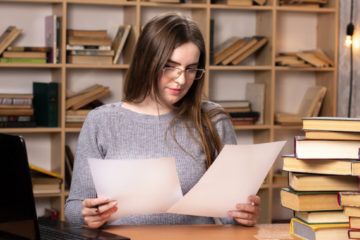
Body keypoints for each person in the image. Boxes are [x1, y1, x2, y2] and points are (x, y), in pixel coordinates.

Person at [64, 12, 260, 229]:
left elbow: (230, 214)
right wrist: (87, 214)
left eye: (191, 69)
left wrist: (244, 215)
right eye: (169, 66)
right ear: (146, 62)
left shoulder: (213, 120)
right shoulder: (101, 121)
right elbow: (74, 208)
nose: (181, 79)